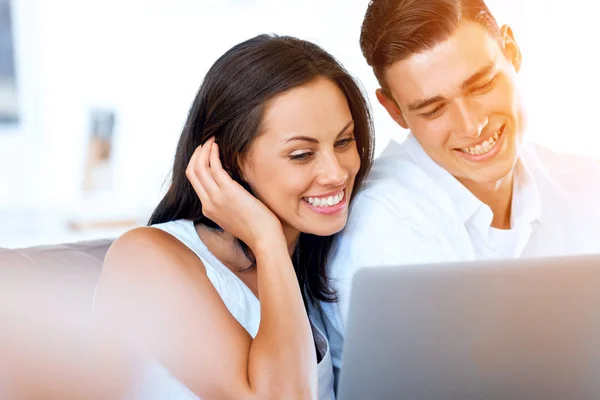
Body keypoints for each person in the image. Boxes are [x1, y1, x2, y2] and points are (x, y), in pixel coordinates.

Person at [322, 0, 600, 382]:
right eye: (433, 109)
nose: (471, 126)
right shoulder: (386, 224)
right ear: (395, 112)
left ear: (512, 52)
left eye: (482, 85)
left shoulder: (583, 183)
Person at [93, 34, 374, 400]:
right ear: (228, 160)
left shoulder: (315, 257)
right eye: (302, 154)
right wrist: (266, 239)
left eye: (343, 142)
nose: (336, 173)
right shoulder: (146, 257)